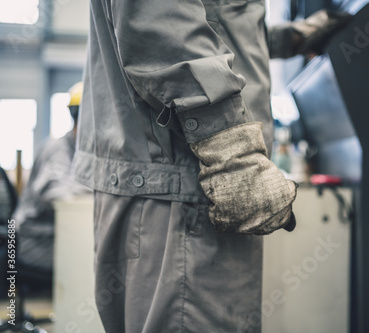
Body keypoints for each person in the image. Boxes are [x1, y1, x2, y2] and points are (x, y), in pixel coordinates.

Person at [72, 2, 350, 332]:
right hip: (185, 190)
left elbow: (217, 21)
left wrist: (290, 38)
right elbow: (161, 19)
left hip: (172, 183)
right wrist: (233, 155)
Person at [13, 82, 91, 278]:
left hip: (49, 236)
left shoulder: (79, 151)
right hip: (34, 241)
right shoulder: (58, 149)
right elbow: (54, 192)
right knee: (89, 261)